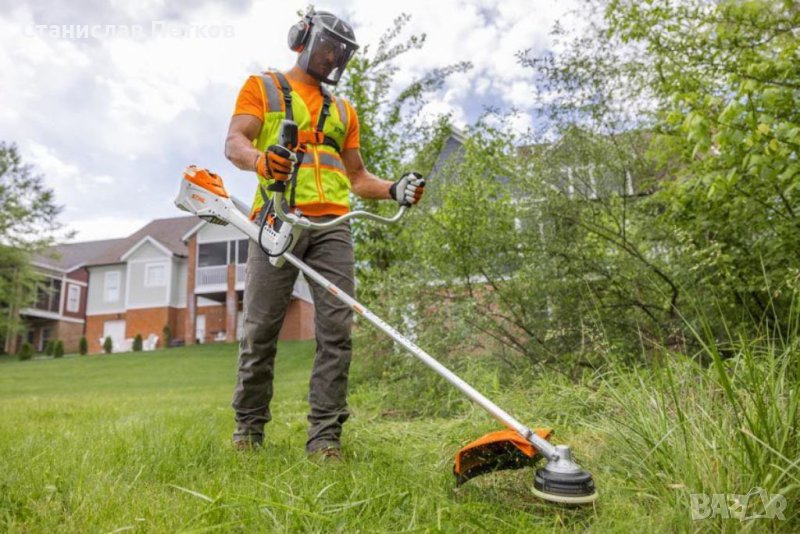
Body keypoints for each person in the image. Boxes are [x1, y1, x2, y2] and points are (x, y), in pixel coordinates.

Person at [223, 8, 425, 459]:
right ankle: (248, 430)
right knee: (260, 330)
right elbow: (235, 142)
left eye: (341, 51)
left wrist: (393, 189)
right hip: (277, 218)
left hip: (334, 226)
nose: (333, 55)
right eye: (328, 44)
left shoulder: (343, 110)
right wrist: (261, 160)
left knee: (337, 330)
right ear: (303, 37)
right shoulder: (264, 87)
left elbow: (357, 177)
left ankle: (325, 439)